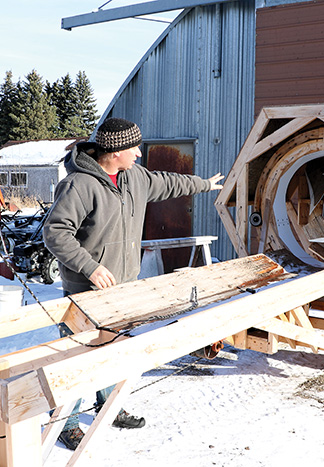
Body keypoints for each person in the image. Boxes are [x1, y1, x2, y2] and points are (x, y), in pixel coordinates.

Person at [43, 117, 223, 450]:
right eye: (134, 148)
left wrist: (204, 184)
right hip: (85, 291)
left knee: (112, 351)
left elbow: (167, 183)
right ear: (114, 153)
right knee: (78, 359)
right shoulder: (79, 185)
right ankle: (65, 423)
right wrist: (91, 267)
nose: (139, 154)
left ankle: (108, 406)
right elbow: (55, 233)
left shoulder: (134, 178)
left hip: (122, 287)